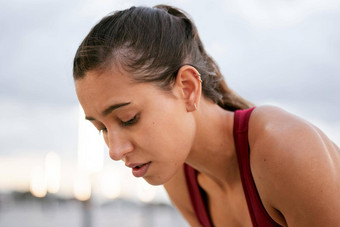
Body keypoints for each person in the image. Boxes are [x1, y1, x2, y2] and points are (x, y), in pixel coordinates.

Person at [73, 5, 340, 227]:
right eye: (102, 128)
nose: (115, 151)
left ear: (188, 88)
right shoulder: (180, 179)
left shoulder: (287, 148)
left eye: (129, 118)